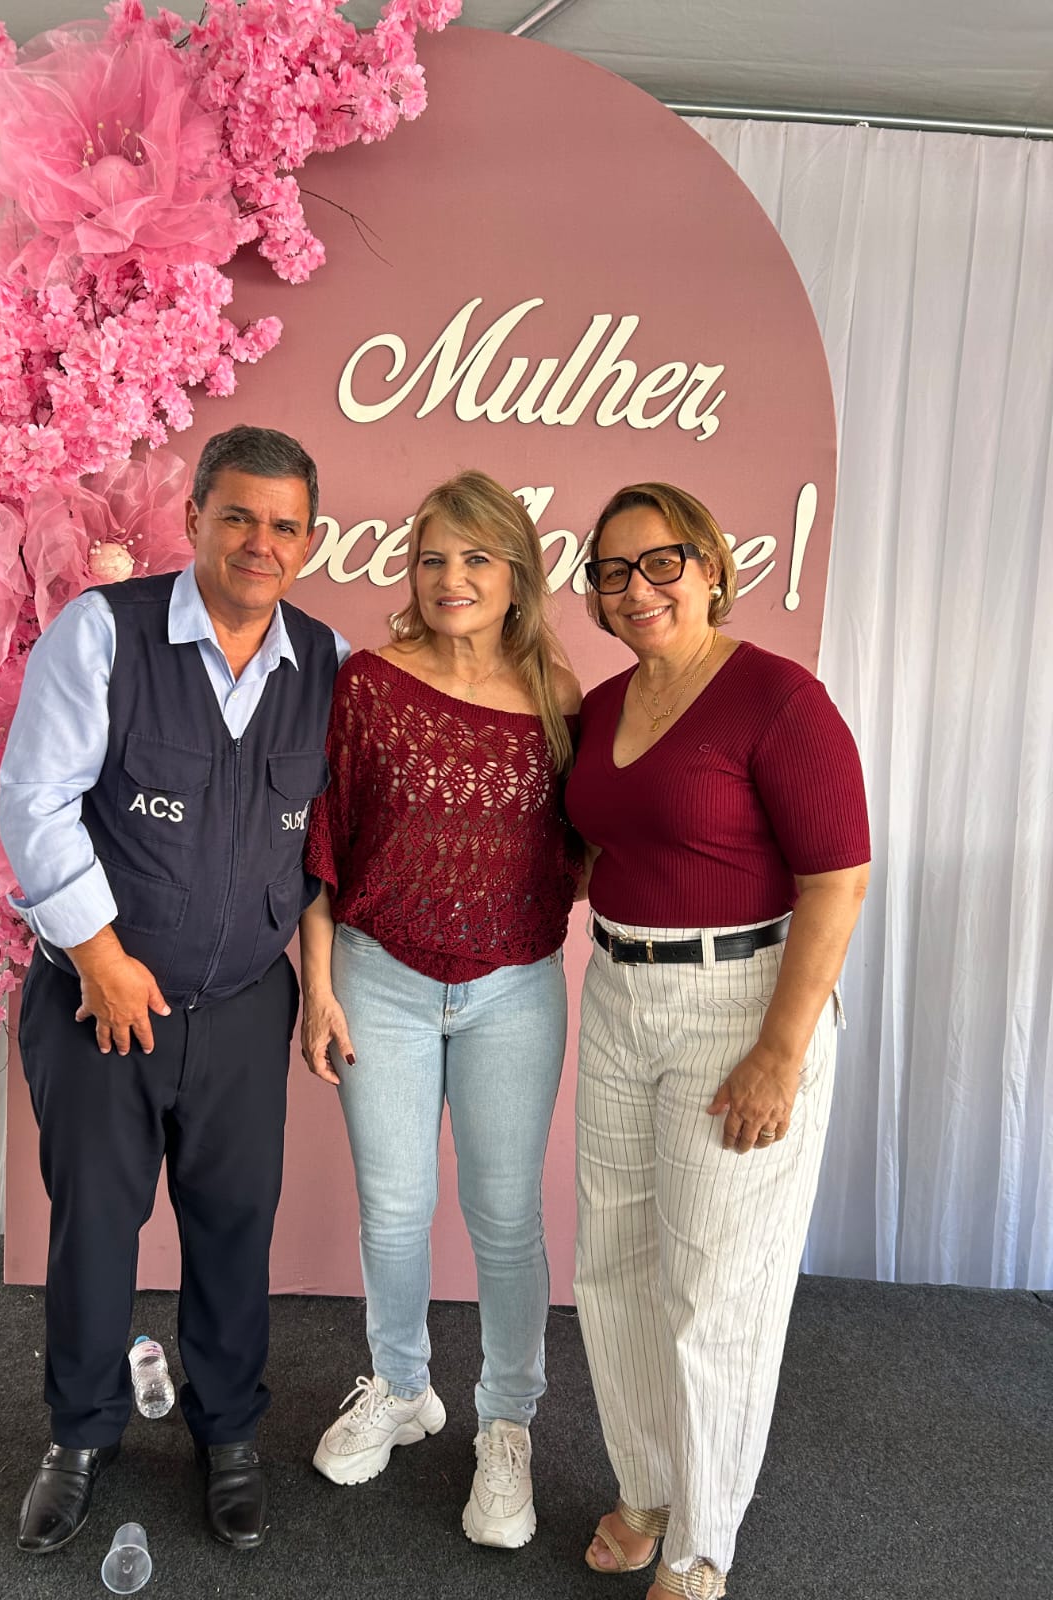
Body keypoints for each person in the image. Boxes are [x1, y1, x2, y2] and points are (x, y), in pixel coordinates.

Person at [0, 425, 347, 1555]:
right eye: (237, 515)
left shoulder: (326, 665)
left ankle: (229, 1433)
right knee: (96, 1229)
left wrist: (322, 986)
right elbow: (35, 800)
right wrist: (100, 958)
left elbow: (325, 849)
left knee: (236, 1230)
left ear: (310, 541)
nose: (259, 542)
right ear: (194, 517)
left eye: (284, 525)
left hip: (244, 1005)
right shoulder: (103, 631)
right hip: (100, 1002)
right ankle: (80, 1437)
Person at [564, 482, 870, 1600]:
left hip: (741, 1002)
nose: (637, 588)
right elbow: (599, 849)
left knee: (713, 1288)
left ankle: (701, 1542)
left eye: (662, 562)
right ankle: (648, 1486)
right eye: (613, 572)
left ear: (711, 566)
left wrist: (781, 1054)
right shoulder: (605, 704)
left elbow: (837, 879)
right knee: (614, 1263)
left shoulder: (779, 700)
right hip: (618, 991)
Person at [298, 469, 581, 1549]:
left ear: (516, 573)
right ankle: (403, 1388)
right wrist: (319, 984)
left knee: (506, 1219)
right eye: (432, 558)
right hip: (379, 977)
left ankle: (505, 1424)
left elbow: (585, 851)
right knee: (394, 1207)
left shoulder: (558, 697)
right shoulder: (367, 686)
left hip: (514, 989)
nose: (451, 577)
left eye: (475, 557)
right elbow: (321, 843)